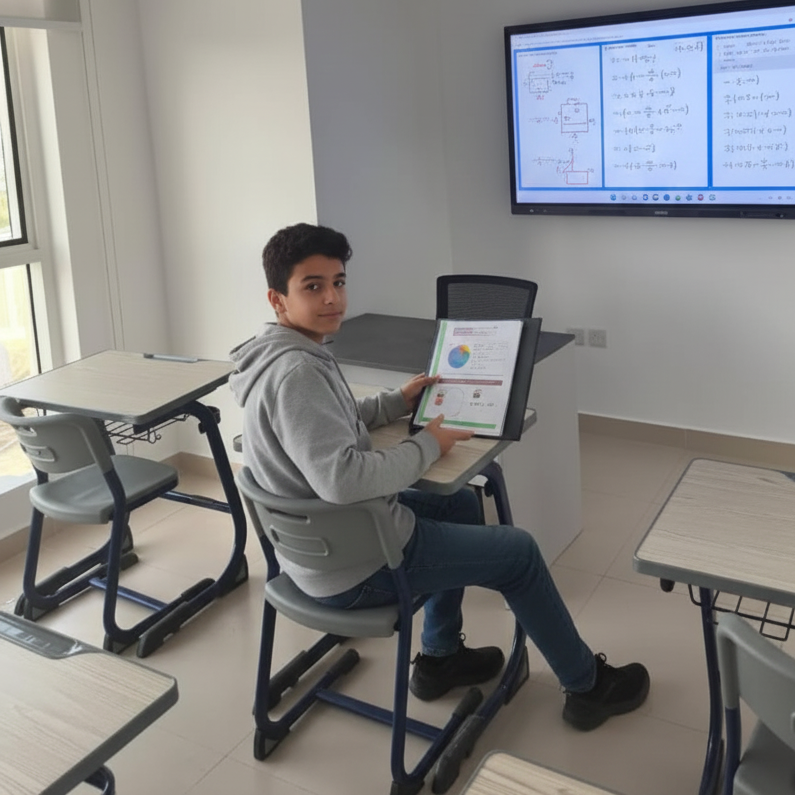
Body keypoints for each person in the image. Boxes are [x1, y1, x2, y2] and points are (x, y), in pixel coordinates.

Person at [229, 222, 649, 731]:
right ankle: (587, 687)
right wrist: (429, 443)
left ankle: (439, 657)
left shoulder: (281, 355)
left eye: (338, 282)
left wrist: (395, 402)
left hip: (323, 546)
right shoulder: (298, 373)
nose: (332, 298)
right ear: (278, 298)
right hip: (353, 567)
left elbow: (331, 423)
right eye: (312, 286)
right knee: (518, 553)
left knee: (461, 503)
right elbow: (343, 480)